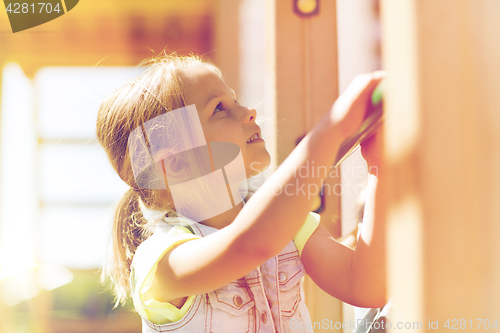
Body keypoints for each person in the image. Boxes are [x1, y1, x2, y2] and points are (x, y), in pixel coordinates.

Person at [97, 54, 386, 332]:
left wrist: (379, 167)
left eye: (235, 101)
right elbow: (250, 245)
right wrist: (332, 129)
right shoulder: (161, 263)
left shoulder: (288, 225)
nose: (249, 112)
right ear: (177, 163)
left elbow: (365, 285)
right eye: (219, 108)